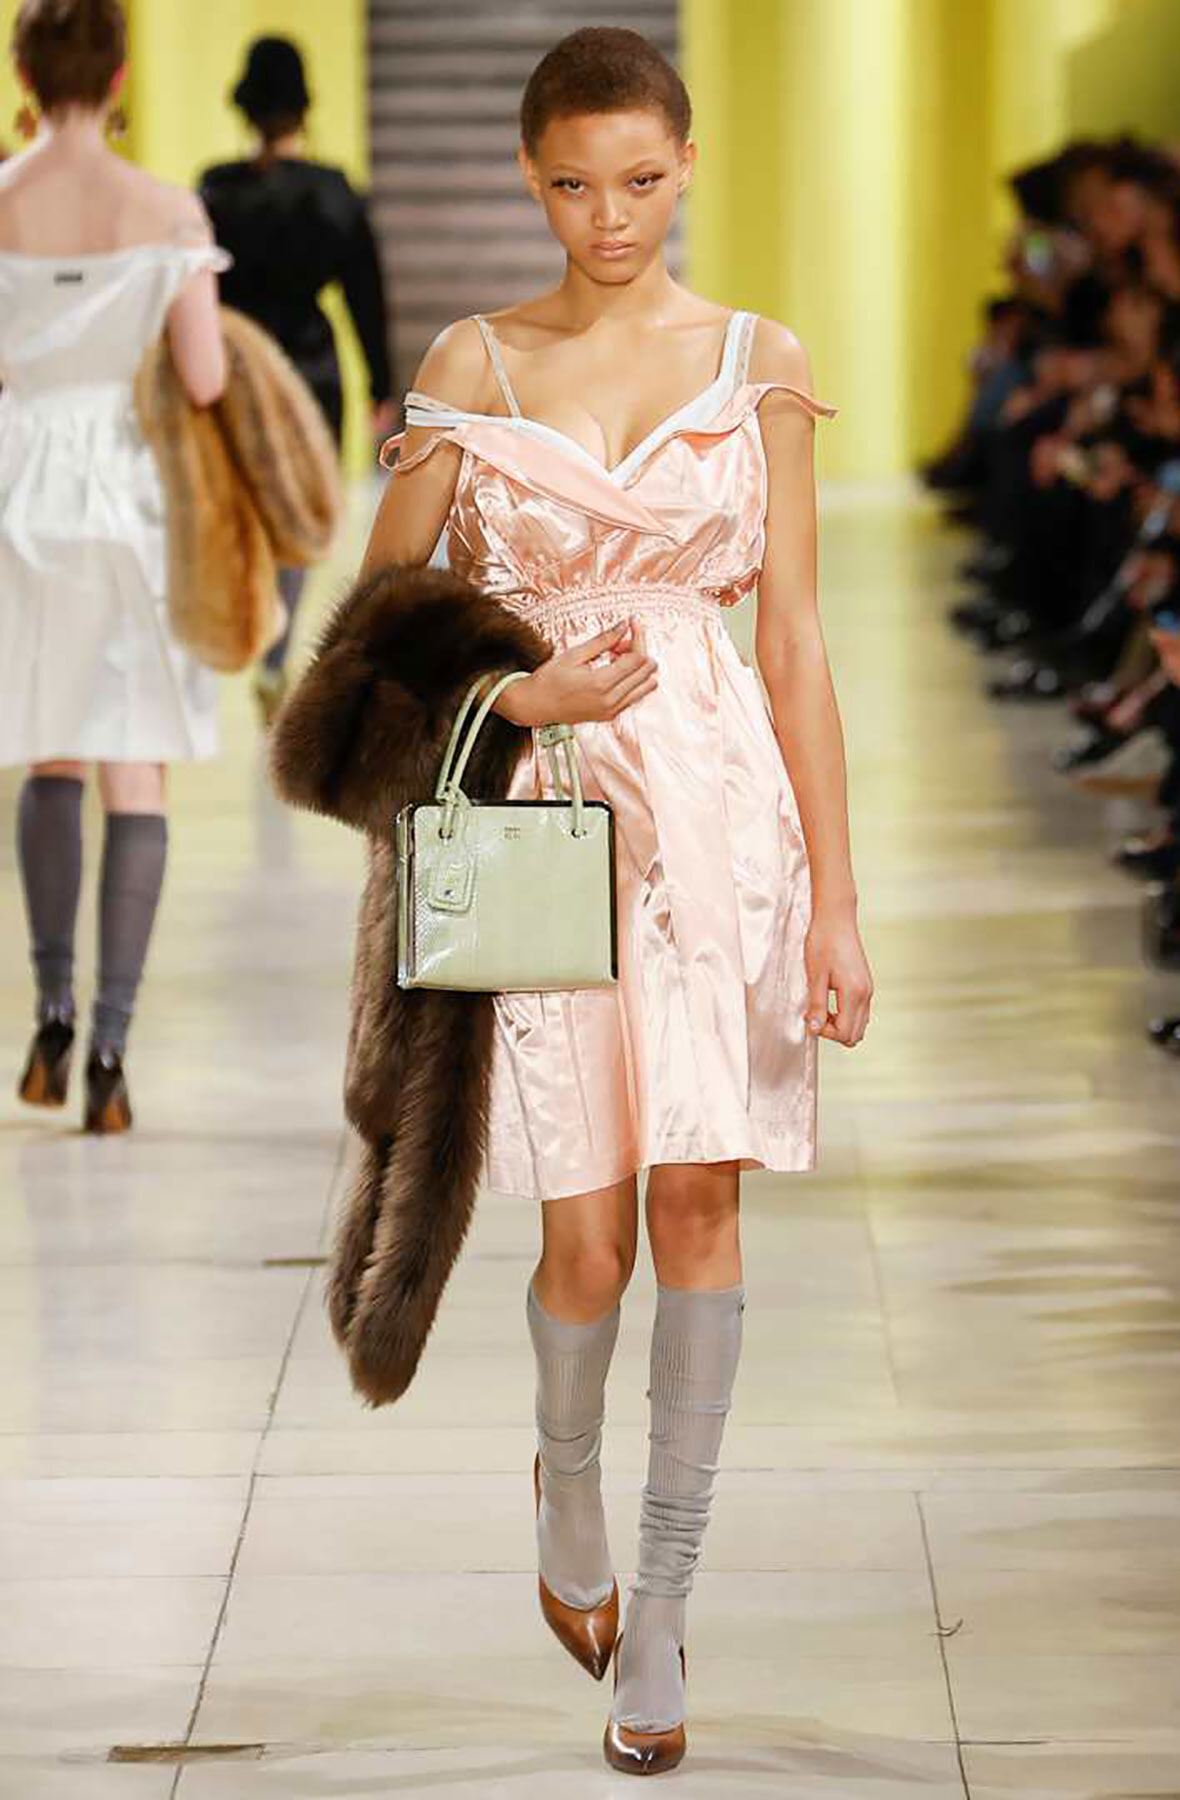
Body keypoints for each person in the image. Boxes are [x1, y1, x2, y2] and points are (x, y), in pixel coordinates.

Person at [276, 24, 873, 1776]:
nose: (605, 215)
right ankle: (572, 1489)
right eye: (569, 184)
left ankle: (666, 1617)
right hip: (535, 822)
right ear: (536, 182)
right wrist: (516, 699)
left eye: (636, 178)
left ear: (685, 166)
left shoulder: (761, 362)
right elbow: (367, 642)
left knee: (701, 1205)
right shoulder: (473, 363)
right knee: (587, 1240)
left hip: (724, 832)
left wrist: (837, 900)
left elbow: (799, 642)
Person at [0, 0, 227, 1133]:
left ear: (22, 69)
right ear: (124, 68)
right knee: (137, 768)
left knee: (52, 758)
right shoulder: (166, 209)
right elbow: (203, 377)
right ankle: (112, 1058)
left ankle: (47, 1013)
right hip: (131, 502)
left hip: (21, 494)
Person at [199, 35, 395, 723]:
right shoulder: (333, 194)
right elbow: (366, 292)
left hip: (236, 370)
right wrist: (380, 384)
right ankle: (275, 652)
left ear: (246, 107)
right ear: (303, 107)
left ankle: (248, 627)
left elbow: (198, 294)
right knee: (298, 519)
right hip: (313, 369)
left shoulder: (216, 191)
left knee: (242, 505)